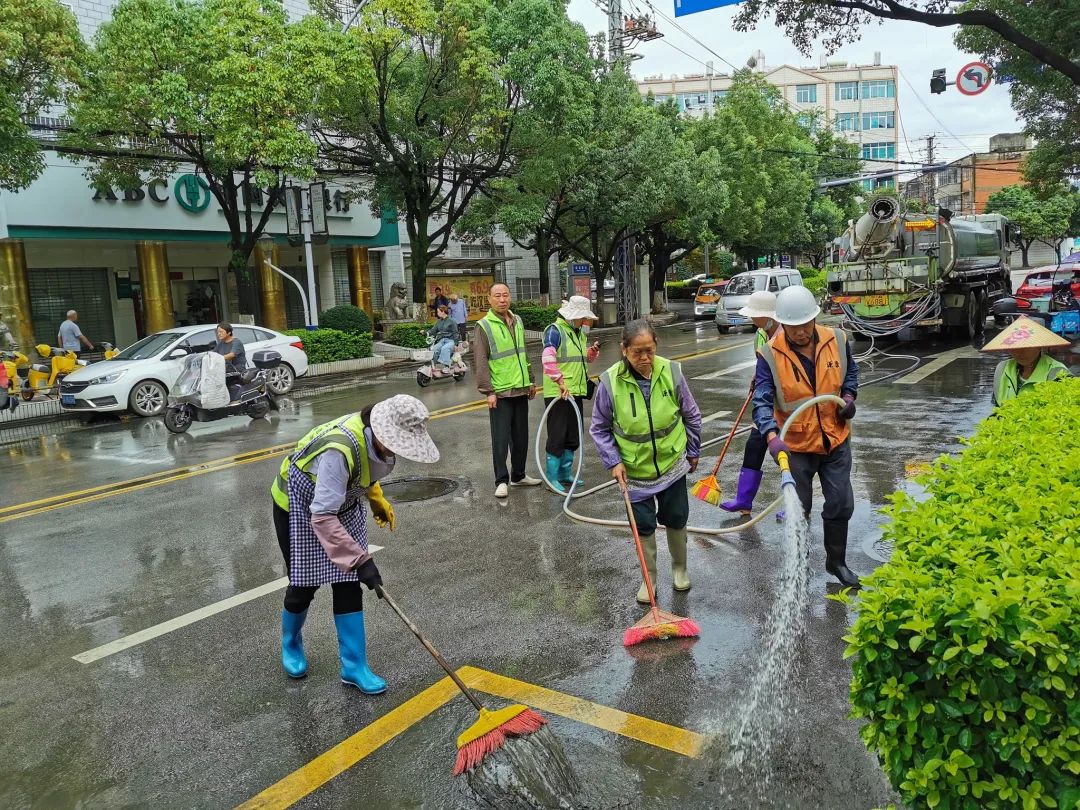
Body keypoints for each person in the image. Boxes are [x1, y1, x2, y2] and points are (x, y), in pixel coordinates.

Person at [270, 394, 439, 691]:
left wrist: (377, 500)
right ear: (383, 431)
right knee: (303, 585)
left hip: (340, 505)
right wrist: (362, 561)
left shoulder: (372, 439)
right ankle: (291, 644)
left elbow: (363, 472)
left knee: (347, 583)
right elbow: (322, 516)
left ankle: (354, 666)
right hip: (299, 505)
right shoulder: (339, 449)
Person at [753, 285, 861, 587]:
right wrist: (772, 437)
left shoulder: (837, 339)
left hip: (835, 437)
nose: (800, 332)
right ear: (782, 324)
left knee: (841, 502)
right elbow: (761, 399)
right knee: (799, 509)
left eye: (805, 325)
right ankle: (798, 564)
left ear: (814, 318)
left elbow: (850, 374)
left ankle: (836, 562)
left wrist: (849, 399)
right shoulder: (770, 355)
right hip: (796, 444)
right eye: (793, 327)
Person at [590, 320, 702, 602]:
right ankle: (649, 577)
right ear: (624, 350)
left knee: (677, 517)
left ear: (656, 346)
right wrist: (613, 461)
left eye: (649, 351)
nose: (644, 359)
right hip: (634, 471)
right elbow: (599, 428)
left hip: (672, 464)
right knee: (642, 525)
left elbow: (691, 414)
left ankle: (680, 568)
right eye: (637, 352)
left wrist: (693, 450)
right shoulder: (610, 382)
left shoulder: (671, 371)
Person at [473, 283, 542, 498]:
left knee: (521, 436)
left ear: (510, 297)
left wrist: (531, 381)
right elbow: (480, 360)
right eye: (497, 296)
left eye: (505, 295)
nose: (502, 299)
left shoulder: (518, 320)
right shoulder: (484, 325)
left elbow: (523, 353)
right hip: (500, 391)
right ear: (489, 299)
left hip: (520, 388)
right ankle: (501, 480)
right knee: (501, 438)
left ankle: (518, 475)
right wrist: (488, 391)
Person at [721, 291, 780, 515]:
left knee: (786, 455)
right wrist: (758, 377)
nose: (752, 318)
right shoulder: (762, 333)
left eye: (755, 315)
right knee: (754, 446)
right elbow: (763, 363)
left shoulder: (786, 334)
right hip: (765, 403)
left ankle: (798, 505)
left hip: (785, 407)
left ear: (769, 316)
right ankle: (743, 501)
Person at [541, 296, 600, 493]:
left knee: (573, 436)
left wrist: (591, 352)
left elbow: (582, 358)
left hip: (575, 392)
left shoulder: (577, 332)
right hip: (558, 394)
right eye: (581, 317)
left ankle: (565, 474)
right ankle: (552, 478)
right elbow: (548, 358)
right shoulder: (554, 331)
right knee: (557, 435)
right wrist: (559, 381)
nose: (584, 321)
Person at [982, 316, 1071, 407]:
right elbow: (996, 406)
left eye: (1025, 347)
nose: (1019, 352)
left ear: (1039, 346)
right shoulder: (1002, 369)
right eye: (1015, 347)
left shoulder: (1057, 372)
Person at [427, 305, 459, 371]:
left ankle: (447, 366)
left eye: (438, 312)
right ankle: (433, 365)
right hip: (442, 340)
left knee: (445, 348)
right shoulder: (439, 321)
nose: (437, 313)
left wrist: (456, 344)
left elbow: (456, 333)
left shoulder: (452, 321)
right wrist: (426, 332)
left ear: (443, 312)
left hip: (451, 340)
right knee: (433, 349)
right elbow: (434, 330)